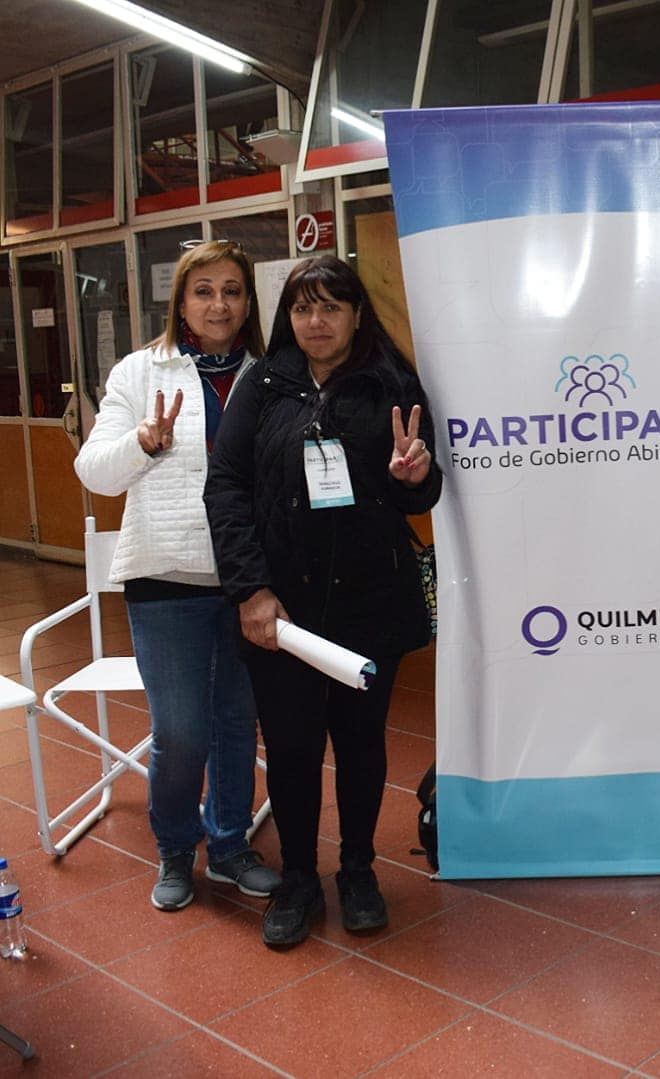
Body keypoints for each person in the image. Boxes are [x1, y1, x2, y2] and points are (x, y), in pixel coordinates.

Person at [204, 255, 441, 948]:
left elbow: (420, 495)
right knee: (292, 746)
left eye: (331, 306)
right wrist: (250, 590)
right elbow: (226, 487)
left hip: (370, 603)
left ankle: (359, 871)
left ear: (357, 314)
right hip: (283, 610)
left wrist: (413, 478)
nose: (316, 321)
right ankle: (300, 879)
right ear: (288, 316)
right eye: (303, 307)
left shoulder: (393, 383)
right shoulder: (264, 384)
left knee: (362, 744)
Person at [74, 239, 280, 912]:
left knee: (235, 722)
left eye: (232, 291)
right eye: (204, 291)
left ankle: (230, 846)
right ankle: (173, 848)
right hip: (164, 576)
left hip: (248, 580)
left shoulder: (268, 374)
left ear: (248, 303)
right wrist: (143, 442)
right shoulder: (140, 371)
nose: (219, 304)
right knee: (182, 730)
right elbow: (94, 471)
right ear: (181, 302)